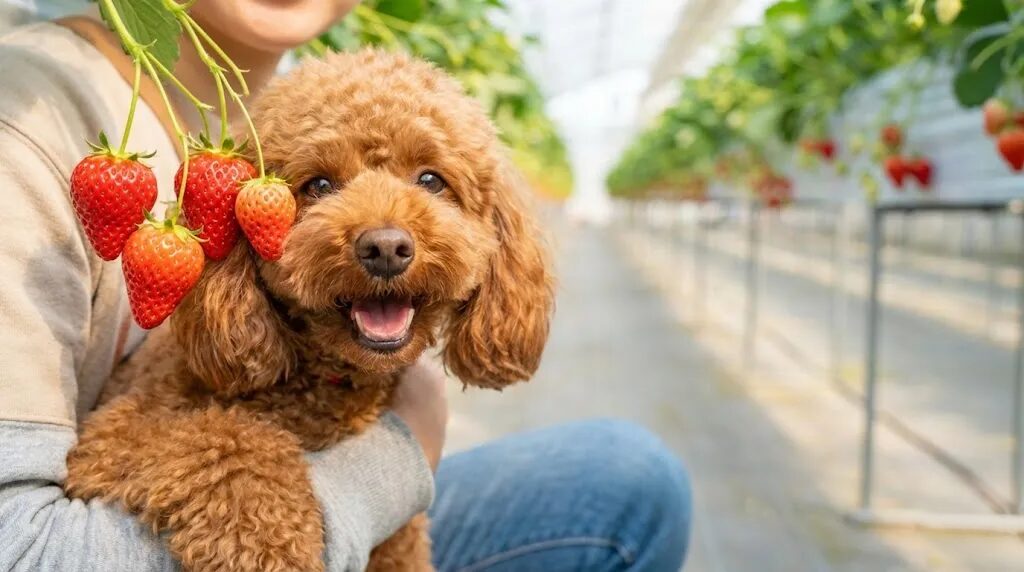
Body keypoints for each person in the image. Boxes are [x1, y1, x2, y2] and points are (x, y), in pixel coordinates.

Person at [0, 1, 692, 570]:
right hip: (162, 526)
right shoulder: (27, 124)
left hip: (363, 508)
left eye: (431, 180)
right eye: (319, 186)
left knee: (625, 475)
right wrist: (398, 456)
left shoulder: (265, 109)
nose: (385, 237)